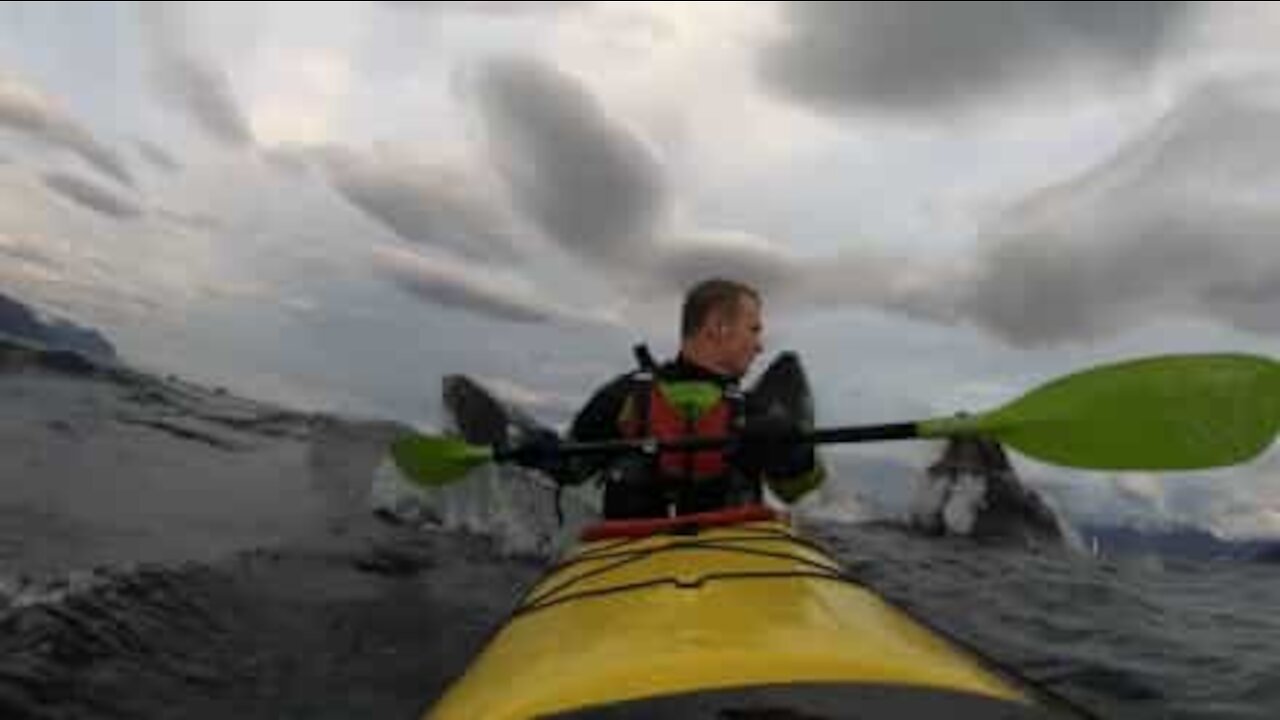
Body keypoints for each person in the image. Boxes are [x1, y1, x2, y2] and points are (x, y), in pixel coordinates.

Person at [519, 278, 825, 519]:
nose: (759, 346)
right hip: (631, 567)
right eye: (754, 329)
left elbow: (796, 491)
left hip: (732, 568)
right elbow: (571, 469)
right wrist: (545, 451)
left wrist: (797, 453)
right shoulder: (623, 398)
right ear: (718, 328)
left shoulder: (756, 412)